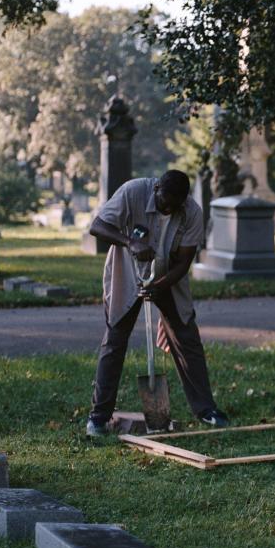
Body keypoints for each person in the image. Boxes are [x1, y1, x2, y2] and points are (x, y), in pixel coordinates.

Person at [85, 170, 229, 436]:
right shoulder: (132, 192)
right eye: (165, 202)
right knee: (115, 339)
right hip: (128, 272)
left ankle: (206, 409)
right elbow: (98, 226)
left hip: (168, 278)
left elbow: (185, 261)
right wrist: (130, 242)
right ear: (156, 189)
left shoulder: (192, 212)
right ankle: (98, 416)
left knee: (187, 338)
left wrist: (160, 285)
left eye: (176, 205)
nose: (169, 208)